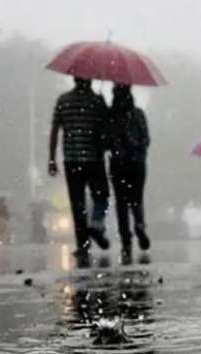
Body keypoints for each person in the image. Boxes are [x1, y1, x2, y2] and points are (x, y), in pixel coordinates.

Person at [48, 77, 110, 258]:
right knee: (102, 194)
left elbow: (55, 130)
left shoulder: (63, 100)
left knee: (78, 203)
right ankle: (97, 223)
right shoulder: (97, 101)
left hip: (71, 160)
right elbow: (106, 128)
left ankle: (83, 245)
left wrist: (52, 159)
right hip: (94, 159)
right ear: (90, 80)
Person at [107, 84, 151, 265]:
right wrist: (135, 146)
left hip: (118, 165)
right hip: (137, 164)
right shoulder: (139, 114)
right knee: (136, 199)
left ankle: (126, 238)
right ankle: (139, 225)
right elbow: (146, 139)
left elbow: (105, 141)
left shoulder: (111, 117)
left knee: (121, 202)